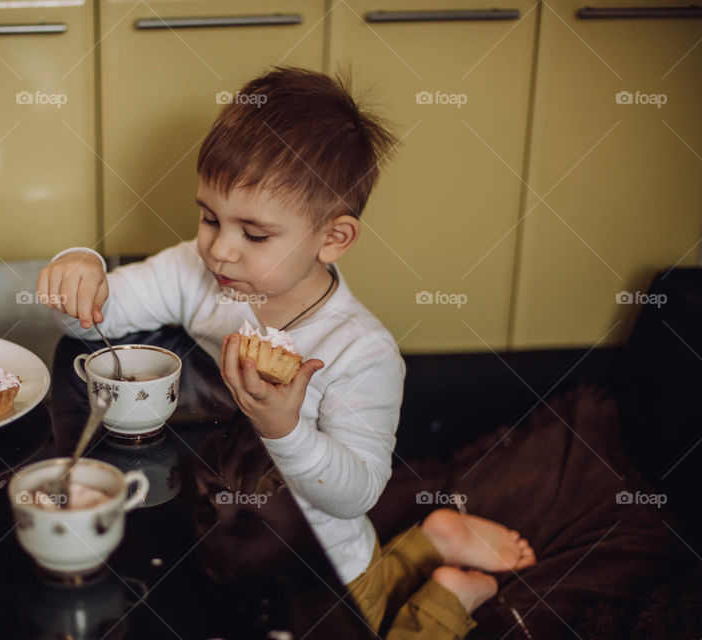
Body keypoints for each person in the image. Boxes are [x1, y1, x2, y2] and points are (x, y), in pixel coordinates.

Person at [37, 66, 535, 637]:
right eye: (208, 217)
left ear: (333, 239)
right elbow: (86, 319)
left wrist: (285, 429)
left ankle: (449, 592)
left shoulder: (359, 352)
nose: (220, 250)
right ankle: (432, 540)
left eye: (254, 234)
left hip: (323, 572)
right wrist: (82, 269)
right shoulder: (195, 273)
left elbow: (358, 494)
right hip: (219, 532)